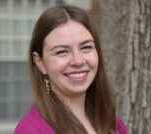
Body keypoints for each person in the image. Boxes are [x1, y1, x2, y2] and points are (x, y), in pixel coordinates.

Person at [14, 4, 127, 134]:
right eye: (62, 51)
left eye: (86, 47)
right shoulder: (32, 130)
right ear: (40, 63)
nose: (78, 61)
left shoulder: (115, 127)